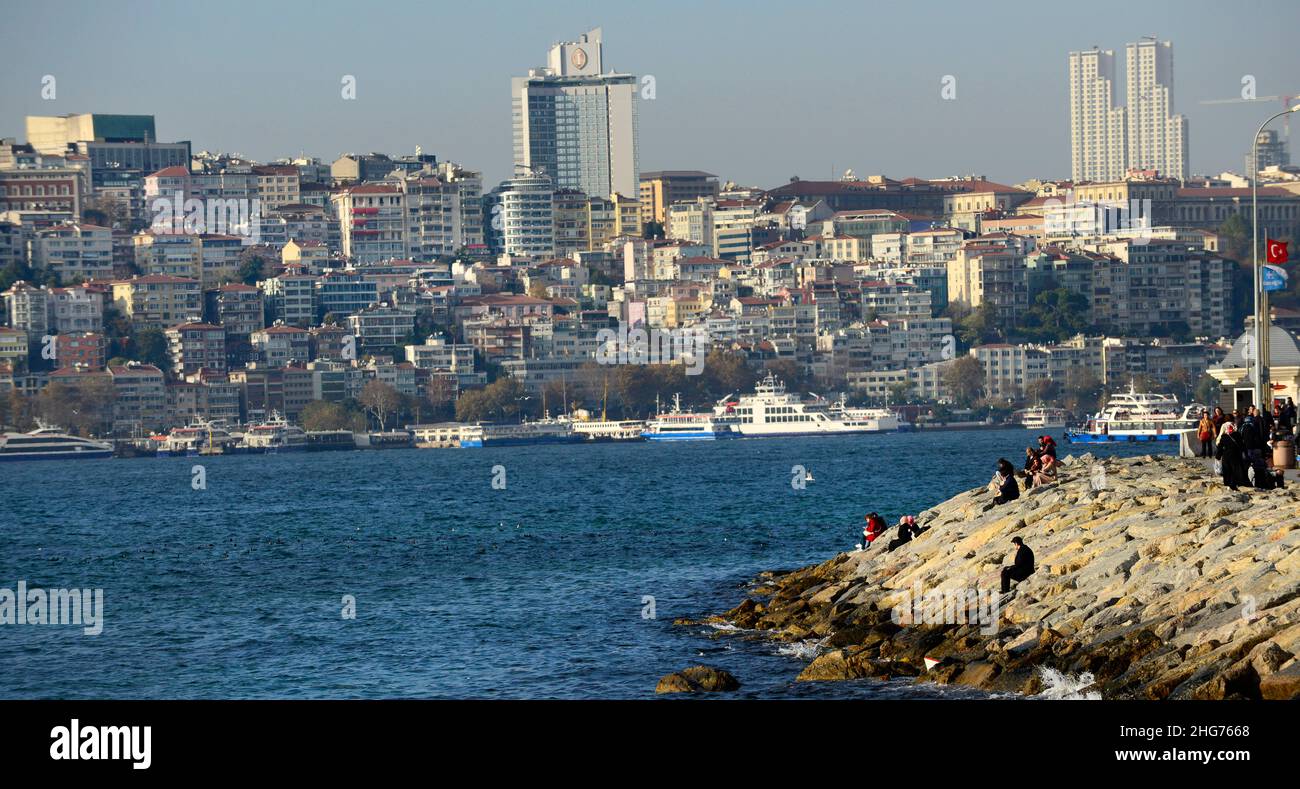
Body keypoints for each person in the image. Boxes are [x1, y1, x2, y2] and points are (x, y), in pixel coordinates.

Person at [1215, 422, 1249, 491]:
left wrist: (1218, 457)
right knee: (1236, 470)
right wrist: (1245, 454)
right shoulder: (1238, 435)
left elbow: (1220, 448)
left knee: (1227, 471)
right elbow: (1242, 446)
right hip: (1236, 456)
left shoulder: (1223, 437)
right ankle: (1235, 484)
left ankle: (1228, 485)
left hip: (1226, 457)